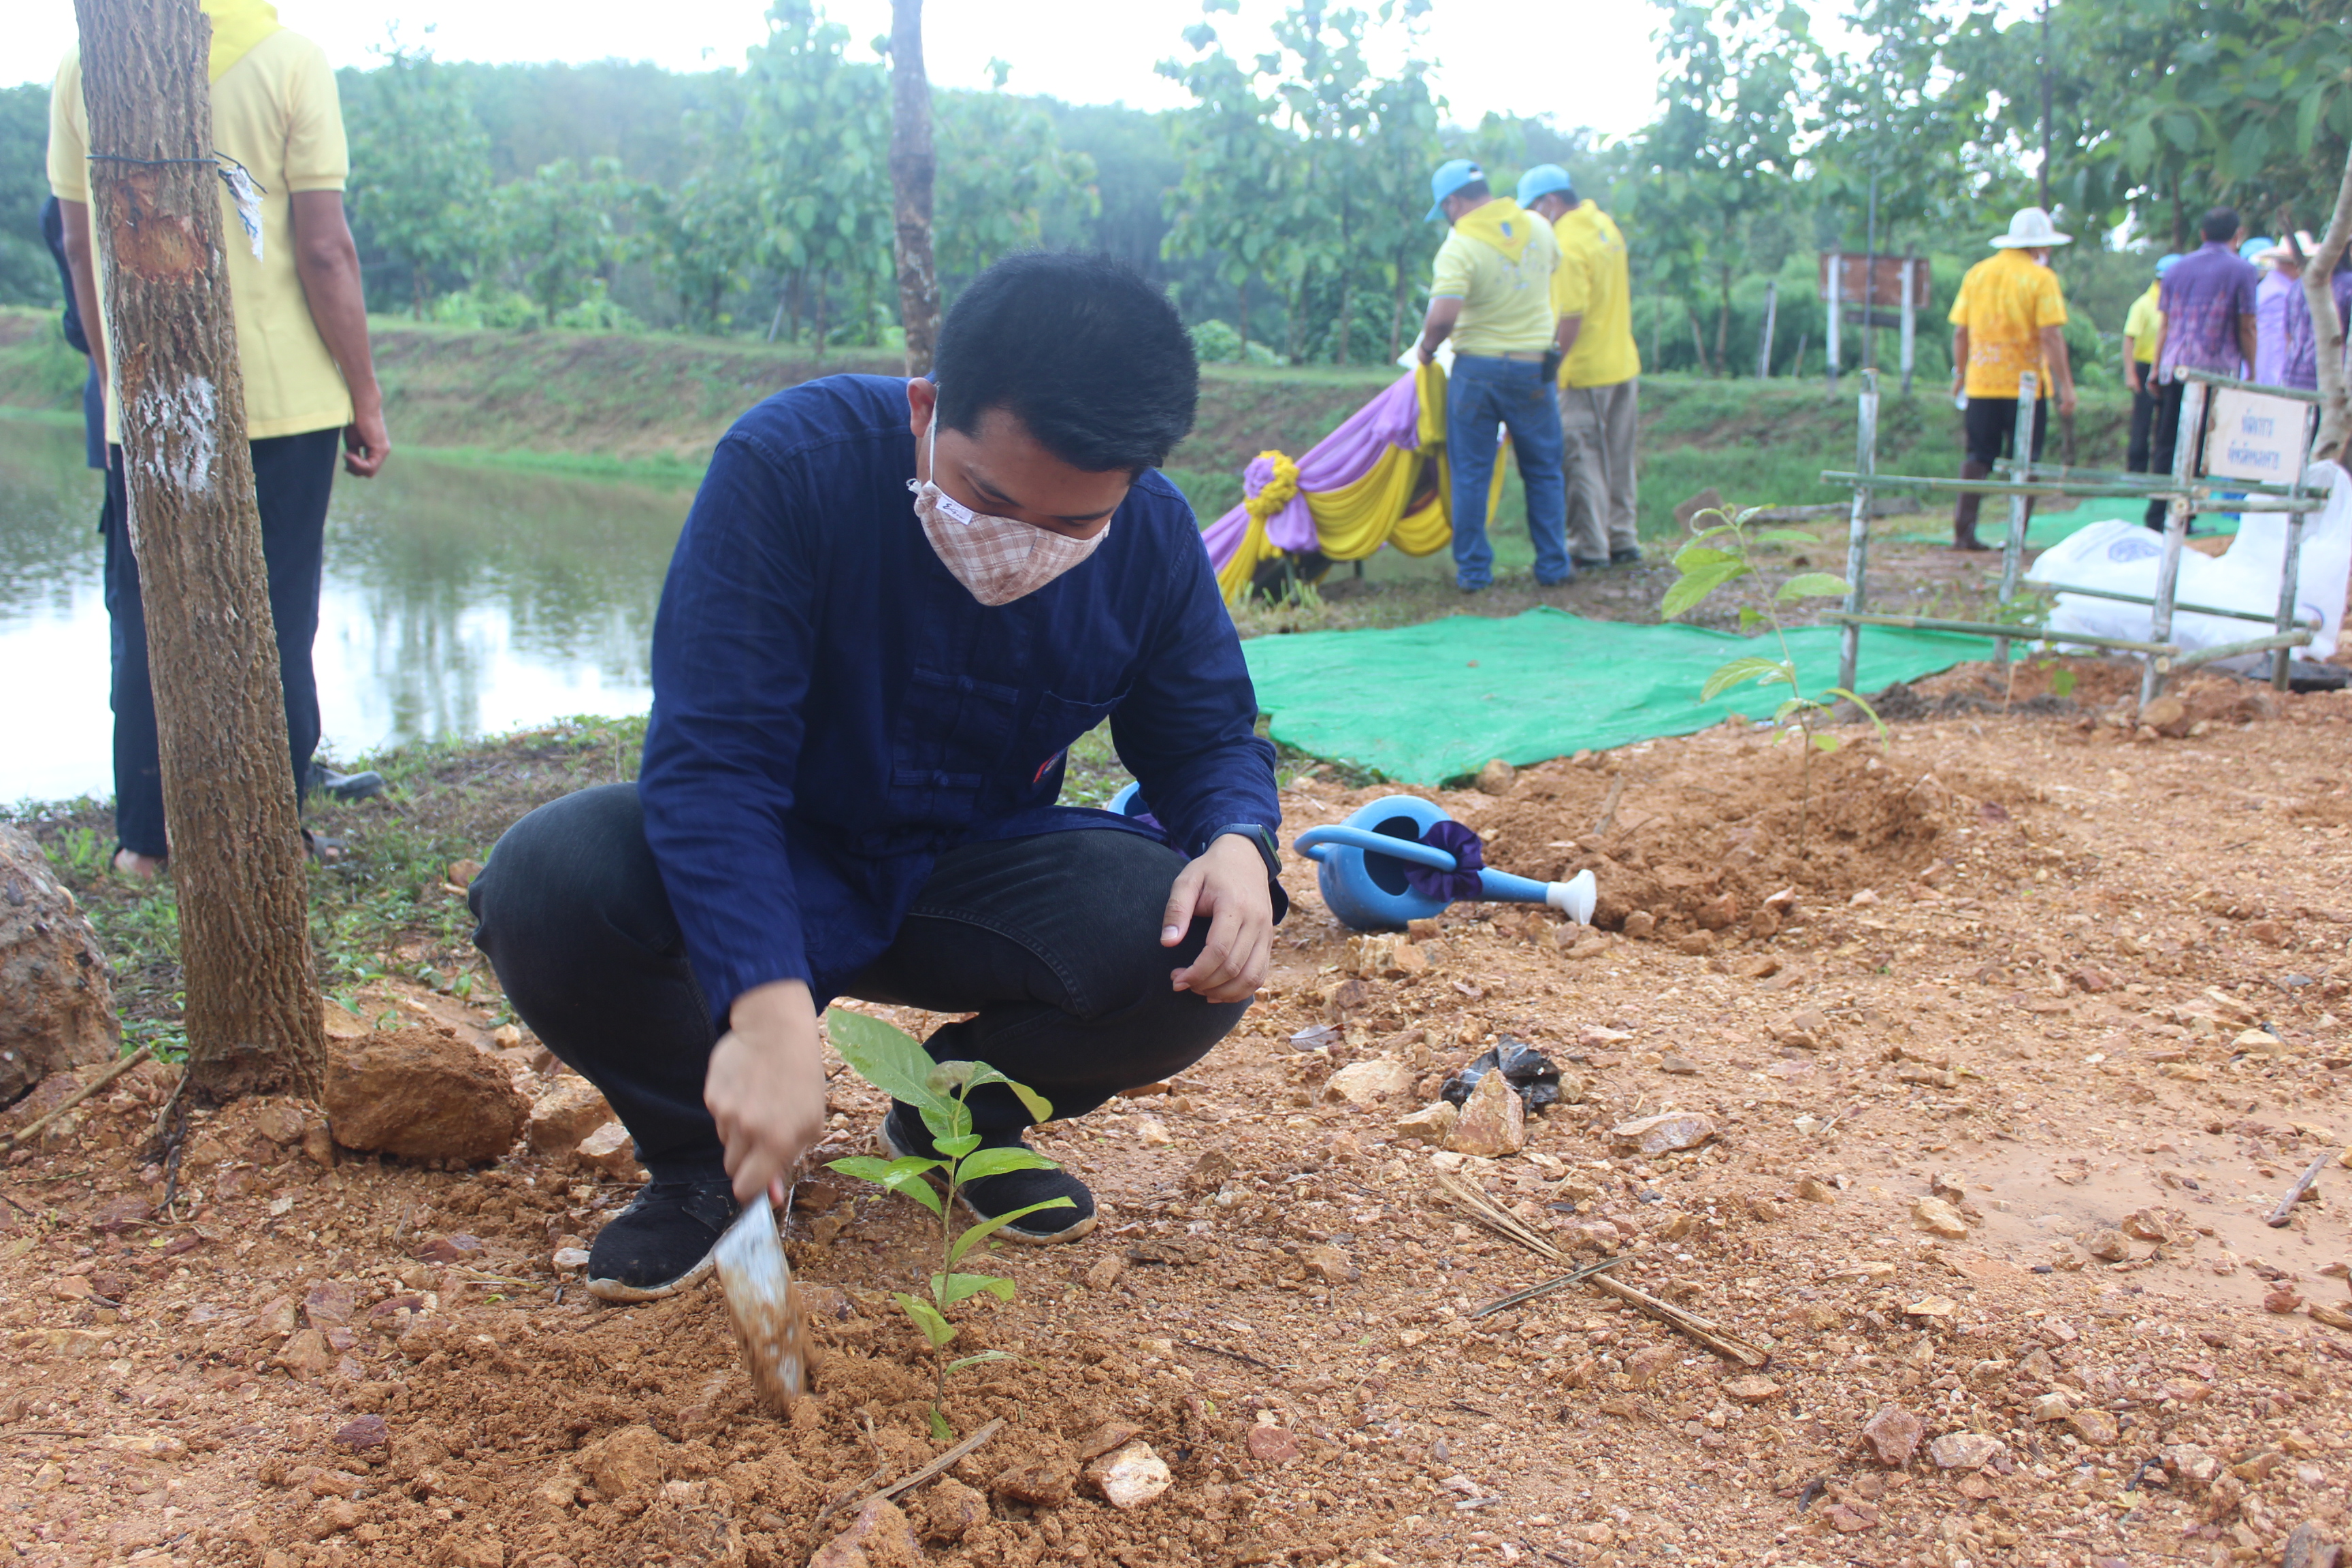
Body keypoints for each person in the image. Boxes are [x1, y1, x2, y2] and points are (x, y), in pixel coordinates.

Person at [467, 252, 1287, 1303]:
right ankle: (702, 1162)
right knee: (552, 879)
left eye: (1072, 524)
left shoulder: (1155, 537)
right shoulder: (790, 468)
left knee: (1190, 942)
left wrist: (1234, 841)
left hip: (968, 876)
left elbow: (1205, 733)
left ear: (1133, 484)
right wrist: (763, 1010)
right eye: (989, 497)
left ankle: (958, 1121)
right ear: (924, 407)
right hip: (776, 858)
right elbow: (716, 762)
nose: (1022, 546)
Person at [47, 0, 393, 878]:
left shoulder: (89, 64)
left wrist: (118, 376)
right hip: (282, 401)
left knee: (147, 611)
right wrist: (366, 393)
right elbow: (324, 251)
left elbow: (81, 249)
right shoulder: (290, 61)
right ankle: (267, 835)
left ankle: (148, 843)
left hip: (152, 401)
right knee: (275, 616)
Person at [1412, 159, 1570, 592]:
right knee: (1543, 471)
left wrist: (1426, 350)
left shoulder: (1460, 243)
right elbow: (1547, 275)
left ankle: (1475, 573)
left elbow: (1443, 315)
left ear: (1452, 202)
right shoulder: (1539, 227)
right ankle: (1554, 566)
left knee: (1470, 473)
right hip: (1532, 367)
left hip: (1477, 371)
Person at [1518, 163, 1644, 571]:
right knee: (1619, 457)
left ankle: (1590, 547)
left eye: (1534, 211)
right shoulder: (1605, 226)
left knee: (1581, 457)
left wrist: (1550, 367)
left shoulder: (1566, 243)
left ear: (1551, 203)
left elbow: (1570, 317)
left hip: (1585, 371)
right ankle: (1622, 538)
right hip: (1623, 363)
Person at [1945, 207, 2076, 551]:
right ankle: (2015, 536)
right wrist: (2065, 385)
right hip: (2027, 389)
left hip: (1982, 382)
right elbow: (2050, 336)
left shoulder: (1978, 274)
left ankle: (1964, 531)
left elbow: (1961, 332)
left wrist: (1960, 374)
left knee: (1977, 456)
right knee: (2025, 460)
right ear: (2039, 247)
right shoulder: (2041, 279)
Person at [2144, 207, 2260, 529]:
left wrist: (2156, 368)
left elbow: (2165, 325)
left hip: (2176, 365)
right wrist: (2252, 368)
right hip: (2213, 369)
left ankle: (2159, 515)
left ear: (2203, 233)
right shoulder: (2242, 270)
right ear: (2238, 235)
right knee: (2198, 446)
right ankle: (2183, 515)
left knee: (2168, 442)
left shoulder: (2177, 269)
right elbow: (2247, 324)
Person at [2123, 253, 2179, 473]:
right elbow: (2129, 339)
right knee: (2141, 422)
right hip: (2145, 367)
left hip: (2170, 369)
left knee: (2166, 424)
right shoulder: (2144, 305)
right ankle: (2136, 470)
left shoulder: (2178, 305)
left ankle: (2162, 471)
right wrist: (2131, 374)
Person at [2278, 245, 2352, 395]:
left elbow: (2288, 336)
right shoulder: (2348, 285)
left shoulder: (2299, 284)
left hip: (2292, 377)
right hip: (2331, 386)